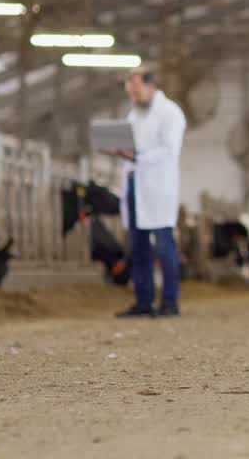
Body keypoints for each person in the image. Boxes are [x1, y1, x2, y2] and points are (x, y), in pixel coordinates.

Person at [106, 64, 188, 319]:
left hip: (158, 187)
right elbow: (132, 152)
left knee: (164, 247)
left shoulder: (171, 113)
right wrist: (120, 152)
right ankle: (144, 301)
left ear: (151, 86)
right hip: (134, 184)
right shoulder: (134, 115)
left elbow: (169, 151)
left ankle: (170, 303)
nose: (134, 96)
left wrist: (136, 155)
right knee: (139, 247)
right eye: (131, 92)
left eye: (137, 91)